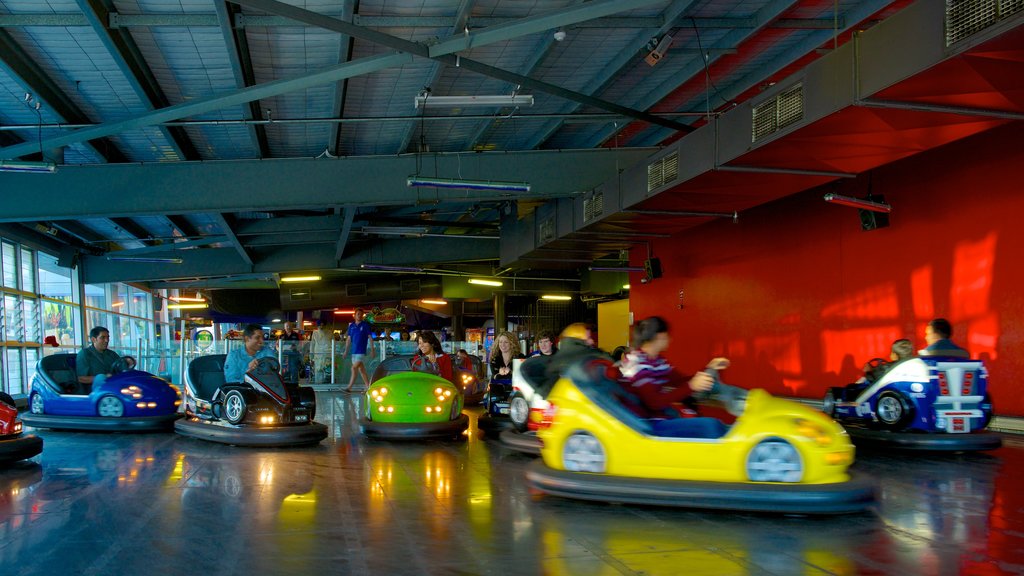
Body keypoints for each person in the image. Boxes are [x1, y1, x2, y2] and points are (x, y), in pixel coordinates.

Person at [618, 316, 744, 423]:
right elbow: (654, 402)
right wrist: (691, 386)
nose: (670, 340)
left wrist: (709, 368)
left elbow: (681, 380)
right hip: (644, 423)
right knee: (710, 426)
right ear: (660, 336)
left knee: (708, 422)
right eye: (668, 336)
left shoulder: (658, 361)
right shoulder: (635, 362)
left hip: (659, 415)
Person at [76, 326, 130, 391]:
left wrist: (127, 363)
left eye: (108, 337)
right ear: (93, 339)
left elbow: (123, 368)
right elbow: (81, 378)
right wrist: (104, 378)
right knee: (100, 377)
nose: (106, 340)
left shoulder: (112, 354)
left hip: (114, 386)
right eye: (103, 337)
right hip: (94, 391)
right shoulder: (85, 354)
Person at [342, 308, 376, 392]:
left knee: (353, 368)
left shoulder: (365, 325)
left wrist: (372, 350)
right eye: (358, 314)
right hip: (353, 352)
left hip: (361, 351)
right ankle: (368, 387)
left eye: (361, 314)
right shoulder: (351, 326)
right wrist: (346, 351)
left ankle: (349, 388)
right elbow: (349, 339)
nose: (360, 316)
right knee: (362, 370)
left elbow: (370, 338)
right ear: (354, 315)